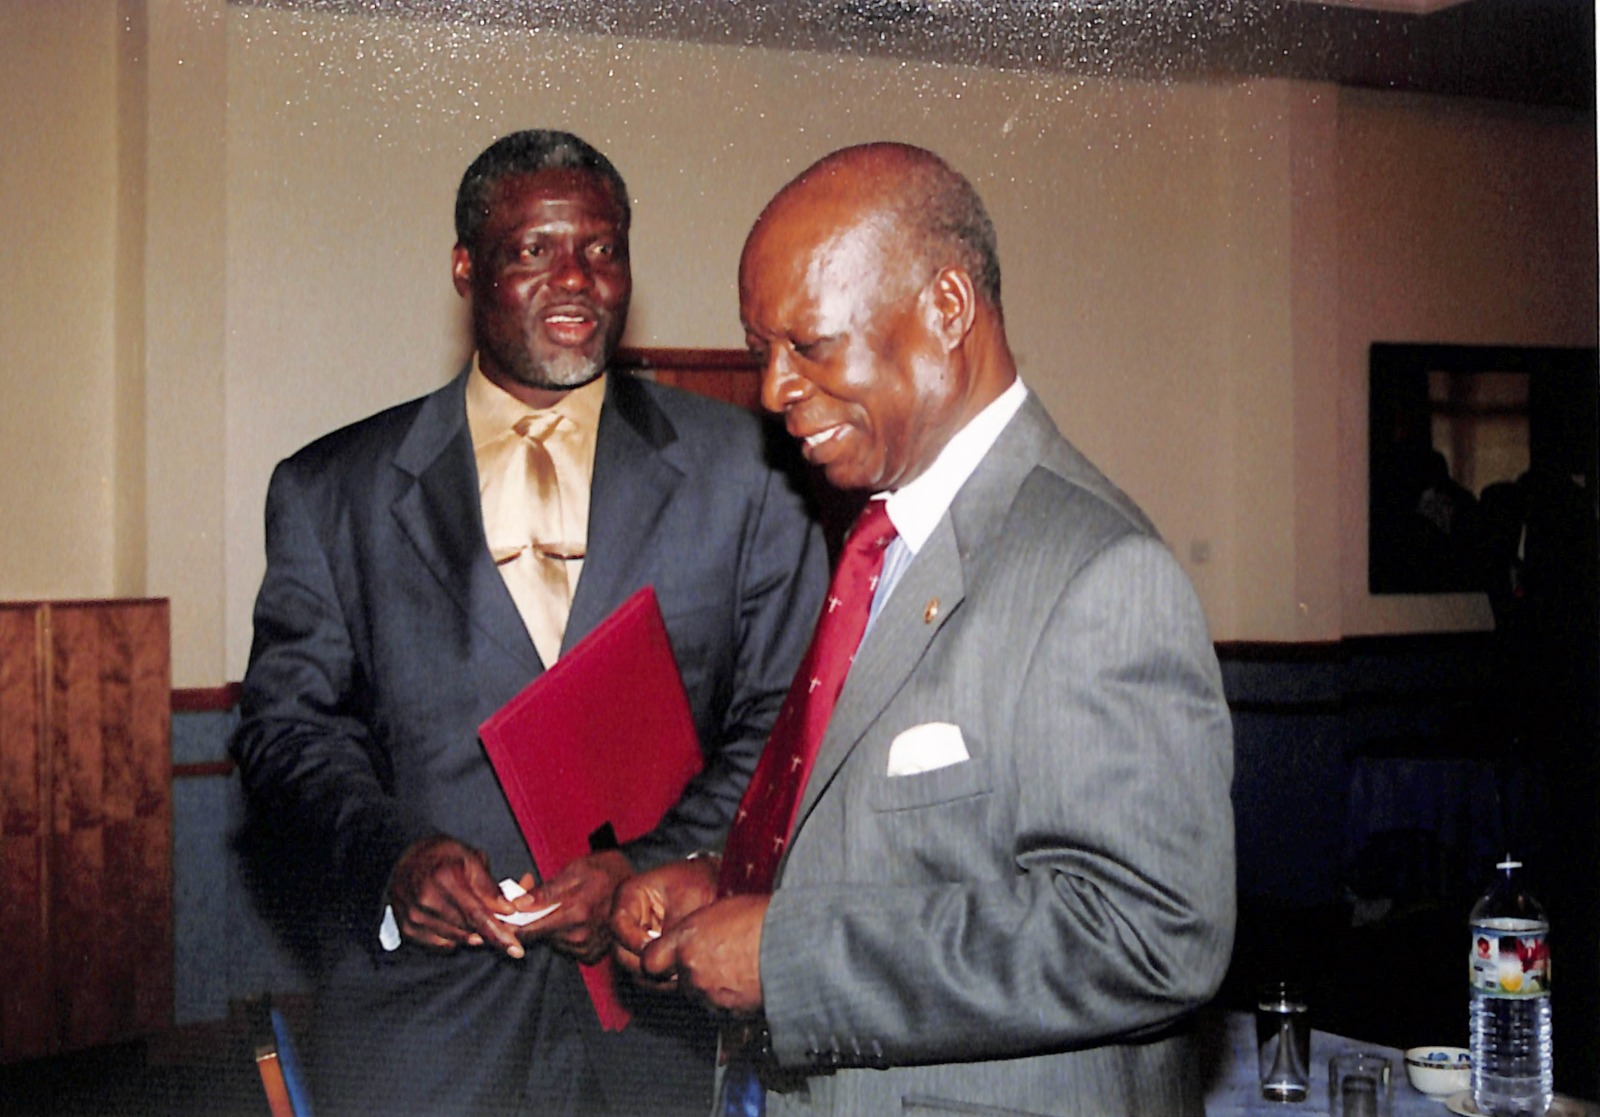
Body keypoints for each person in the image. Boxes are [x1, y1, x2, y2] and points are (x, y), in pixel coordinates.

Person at [611, 142, 1236, 1116]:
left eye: (809, 345)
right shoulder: (877, 546)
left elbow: (1148, 932)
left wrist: (788, 957)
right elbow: (886, 847)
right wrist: (724, 890)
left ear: (946, 309)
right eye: (760, 351)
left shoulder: (1099, 574)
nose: (773, 391)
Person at [230, 129, 827, 1117]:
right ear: (466, 267)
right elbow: (289, 734)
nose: (576, 280)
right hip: (416, 1024)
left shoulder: (749, 473)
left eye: (602, 248)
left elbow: (780, 724)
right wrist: (392, 859)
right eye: (531, 249)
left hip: (647, 1017)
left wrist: (642, 870)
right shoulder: (332, 489)